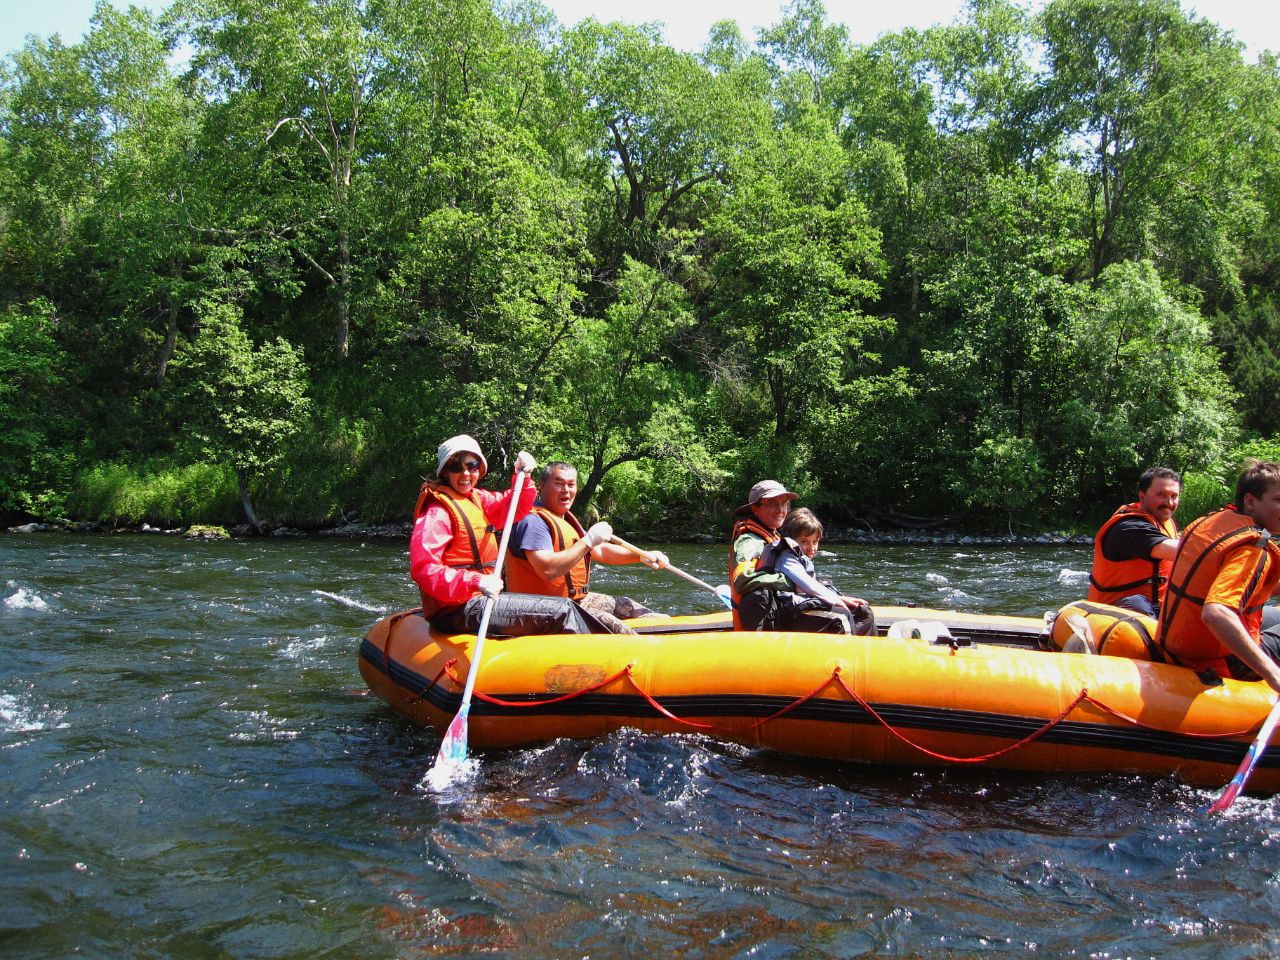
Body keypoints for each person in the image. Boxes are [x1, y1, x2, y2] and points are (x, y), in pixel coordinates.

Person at [409, 435, 606, 637]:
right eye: (455, 467)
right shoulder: (437, 513)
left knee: (565, 609)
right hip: (455, 609)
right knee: (563, 611)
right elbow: (424, 569)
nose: (465, 473)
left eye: (472, 465)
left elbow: (515, 506)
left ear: (480, 468)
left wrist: (523, 474)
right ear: (444, 471)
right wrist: (474, 581)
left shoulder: (476, 499)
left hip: (481, 598)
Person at [1157, 459, 1280, 691]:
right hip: (1220, 662)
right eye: (1279, 500)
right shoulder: (1251, 548)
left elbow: (1243, 587)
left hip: (1177, 645)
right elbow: (1216, 612)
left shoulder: (1209, 522)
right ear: (1251, 502)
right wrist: (1274, 675)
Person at [505, 461, 670, 634]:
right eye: (559, 484)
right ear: (543, 486)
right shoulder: (533, 522)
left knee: (629, 606)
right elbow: (547, 569)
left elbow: (600, 550)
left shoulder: (565, 519)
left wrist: (641, 556)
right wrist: (589, 541)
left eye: (571, 485)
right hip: (541, 610)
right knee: (617, 629)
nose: (566, 490)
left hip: (571, 602)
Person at [728, 480, 851, 634]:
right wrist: (794, 583)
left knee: (858, 612)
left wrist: (831, 594)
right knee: (840, 617)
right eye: (772, 503)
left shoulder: (774, 536)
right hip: (769, 617)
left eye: (784, 503)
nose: (780, 510)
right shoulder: (750, 541)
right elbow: (742, 580)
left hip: (781, 610)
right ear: (755, 508)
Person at [1087, 466, 1182, 617]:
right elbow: (1181, 551)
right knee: (1137, 603)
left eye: (1174, 496)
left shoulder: (1162, 522)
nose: (1169, 502)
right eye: (1161, 495)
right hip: (1113, 615)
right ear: (1142, 497)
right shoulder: (1128, 528)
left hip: (1156, 608)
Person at [770, 508, 876, 635]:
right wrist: (837, 600)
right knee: (842, 616)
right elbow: (808, 586)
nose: (811, 548)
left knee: (864, 612)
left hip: (805, 604)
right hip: (792, 611)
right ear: (791, 540)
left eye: (815, 542)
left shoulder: (800, 557)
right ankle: (848, 650)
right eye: (804, 542)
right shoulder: (786, 558)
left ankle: (870, 651)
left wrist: (841, 597)